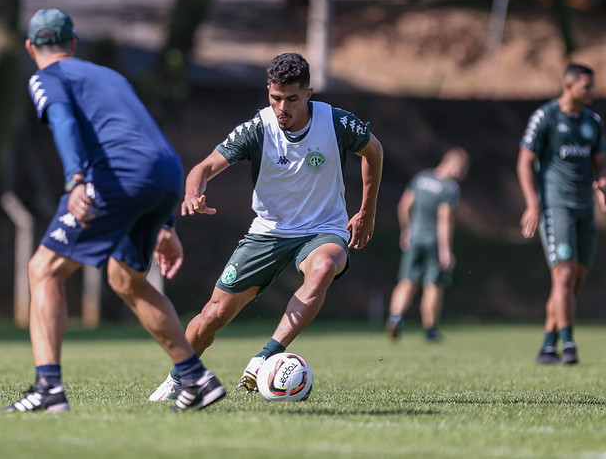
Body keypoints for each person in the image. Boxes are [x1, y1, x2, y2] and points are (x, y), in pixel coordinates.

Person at [0, 8, 225, 412]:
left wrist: (75, 181)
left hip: (118, 175)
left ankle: (48, 388)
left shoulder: (46, 77)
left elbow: (65, 123)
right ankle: (195, 378)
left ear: (31, 48)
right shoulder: (110, 76)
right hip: (165, 172)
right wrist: (165, 222)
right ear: (73, 44)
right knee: (126, 279)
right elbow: (146, 135)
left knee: (43, 269)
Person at [149, 52, 383, 401]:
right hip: (268, 232)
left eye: (292, 99)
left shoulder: (336, 123)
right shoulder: (258, 129)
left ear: (309, 94)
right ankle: (179, 376)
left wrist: (367, 212)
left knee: (322, 268)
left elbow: (374, 152)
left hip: (323, 229)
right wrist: (193, 190)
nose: (282, 108)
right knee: (213, 315)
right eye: (275, 98)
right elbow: (203, 167)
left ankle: (265, 357)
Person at [517, 63, 606, 365]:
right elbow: (525, 162)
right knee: (564, 275)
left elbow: (600, 162)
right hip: (557, 207)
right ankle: (568, 345)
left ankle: (546, 345)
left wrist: (602, 180)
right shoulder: (545, 117)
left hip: (585, 208)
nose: (592, 91)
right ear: (569, 86)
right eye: (587, 86)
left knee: (574, 280)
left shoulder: (593, 121)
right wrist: (532, 203)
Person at [385, 147, 470, 342]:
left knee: (406, 281)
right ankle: (430, 330)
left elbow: (404, 206)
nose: (462, 175)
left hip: (414, 238)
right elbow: (444, 219)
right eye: (462, 169)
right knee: (433, 286)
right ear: (452, 163)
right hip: (434, 241)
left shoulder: (421, 178)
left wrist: (406, 231)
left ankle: (395, 317)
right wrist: (446, 249)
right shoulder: (450, 188)